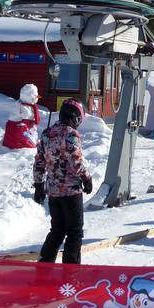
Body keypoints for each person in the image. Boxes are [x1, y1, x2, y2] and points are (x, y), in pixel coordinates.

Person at [33, 98, 93, 264]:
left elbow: (39, 162)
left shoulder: (47, 134)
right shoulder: (71, 135)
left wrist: (39, 185)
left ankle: (44, 266)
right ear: (75, 118)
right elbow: (76, 162)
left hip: (53, 192)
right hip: (71, 192)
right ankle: (70, 272)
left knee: (57, 230)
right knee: (74, 232)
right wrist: (86, 178)